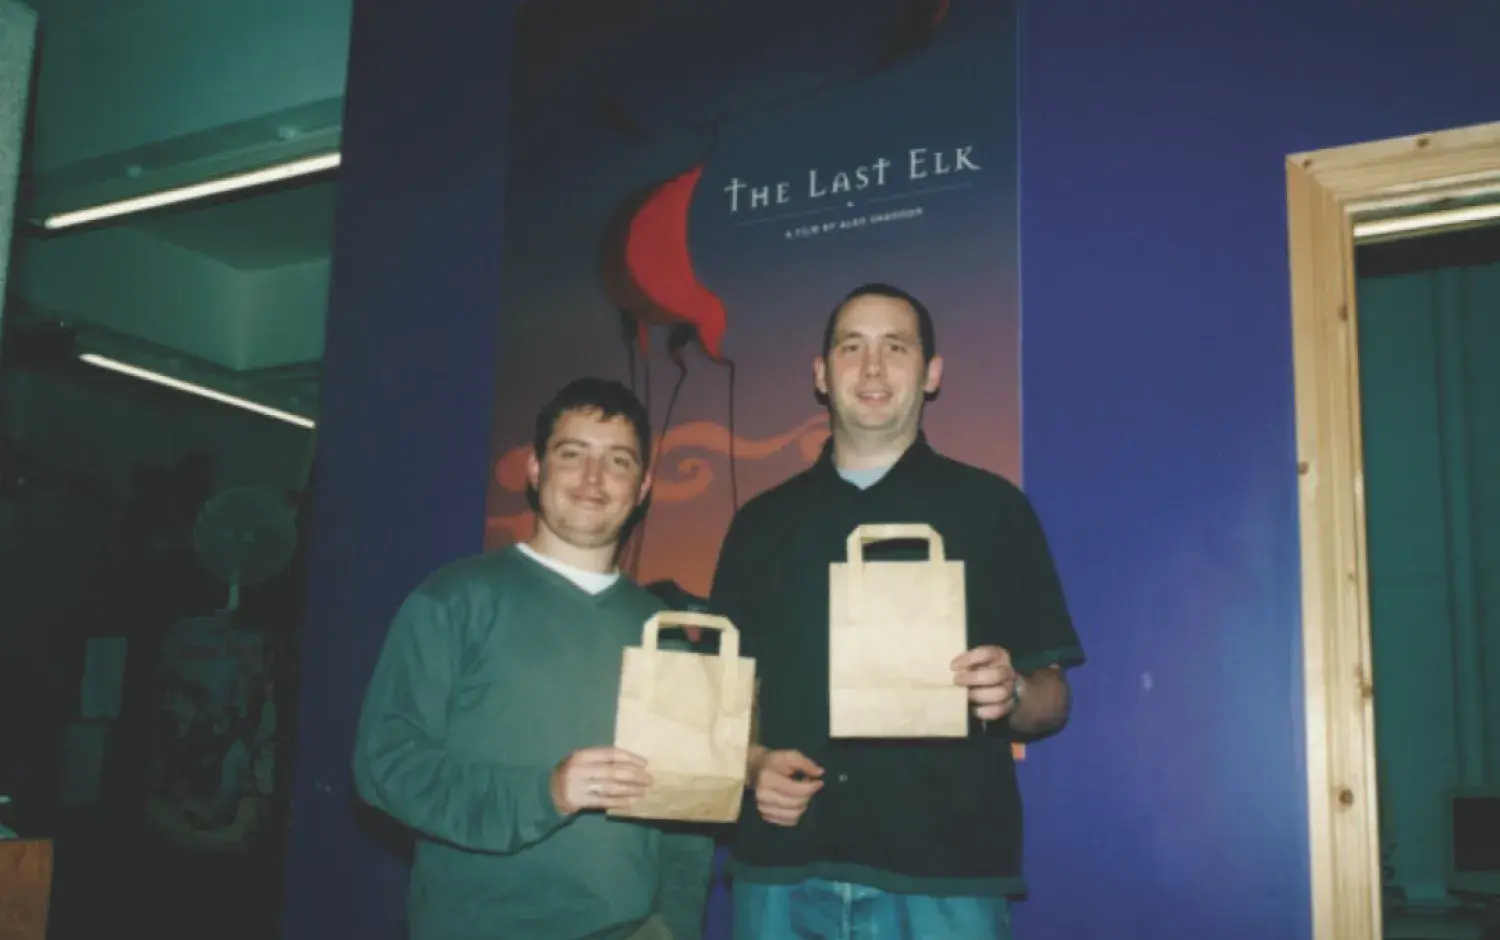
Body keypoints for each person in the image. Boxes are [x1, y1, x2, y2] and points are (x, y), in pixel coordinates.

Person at [710, 284, 1086, 939]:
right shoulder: (758, 525)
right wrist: (750, 765)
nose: (874, 367)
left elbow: (1053, 700)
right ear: (821, 375)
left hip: (949, 876)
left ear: (932, 373)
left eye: (896, 347)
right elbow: (721, 702)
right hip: (782, 869)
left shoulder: (996, 511)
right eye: (852, 348)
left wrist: (1016, 689)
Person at [352, 377, 715, 940]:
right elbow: (387, 768)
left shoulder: (662, 632)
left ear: (642, 487)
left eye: (617, 461)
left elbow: (687, 810)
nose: (594, 479)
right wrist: (546, 793)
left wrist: (674, 924)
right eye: (573, 455)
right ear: (536, 470)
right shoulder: (454, 599)